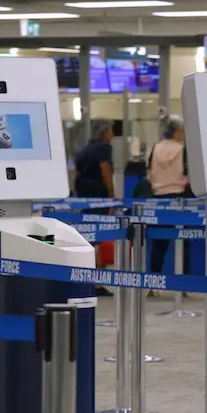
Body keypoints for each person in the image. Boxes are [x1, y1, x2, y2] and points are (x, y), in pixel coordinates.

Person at [73, 120, 116, 295]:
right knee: (101, 235)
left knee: (88, 234)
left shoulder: (84, 150)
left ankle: (86, 276)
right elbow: (105, 170)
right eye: (111, 131)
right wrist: (112, 195)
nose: (112, 134)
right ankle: (98, 281)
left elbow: (77, 172)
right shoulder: (104, 149)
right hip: (99, 194)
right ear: (105, 133)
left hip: (84, 193)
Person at [148, 115, 193, 278]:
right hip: (180, 198)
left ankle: (154, 279)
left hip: (159, 198)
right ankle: (183, 281)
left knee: (159, 242)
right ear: (178, 131)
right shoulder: (182, 150)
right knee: (184, 240)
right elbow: (188, 173)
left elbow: (149, 173)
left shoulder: (155, 148)